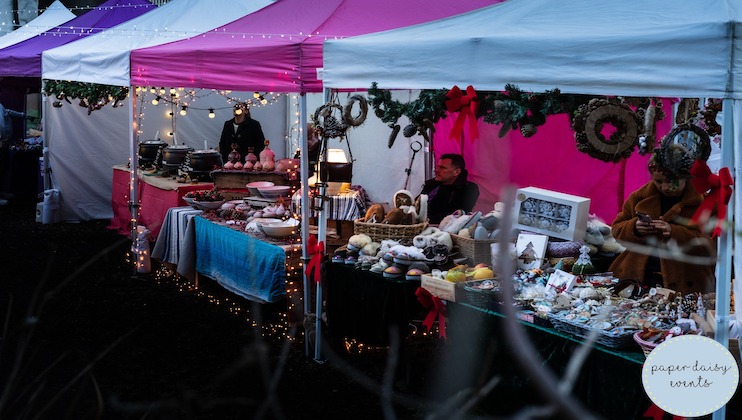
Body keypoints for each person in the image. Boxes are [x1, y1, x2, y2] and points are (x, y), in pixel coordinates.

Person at [609, 146, 716, 295]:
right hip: (635, 279)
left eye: (671, 181)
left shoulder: (705, 203)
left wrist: (675, 233)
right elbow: (616, 229)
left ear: (686, 177)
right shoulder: (639, 198)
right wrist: (634, 228)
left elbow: (713, 246)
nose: (665, 187)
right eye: (658, 181)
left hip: (685, 282)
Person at [420, 153, 479, 224]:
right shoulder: (431, 185)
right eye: (438, 167)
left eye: (443, 168)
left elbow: (457, 215)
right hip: (421, 226)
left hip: (448, 229)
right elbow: (417, 206)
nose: (437, 170)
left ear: (456, 172)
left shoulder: (469, 189)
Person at [0, 87, 27, 206]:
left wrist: (22, 115)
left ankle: (1, 192)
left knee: (3, 169)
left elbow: (7, 112)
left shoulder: (0, 105)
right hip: (1, 144)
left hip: (4, 144)